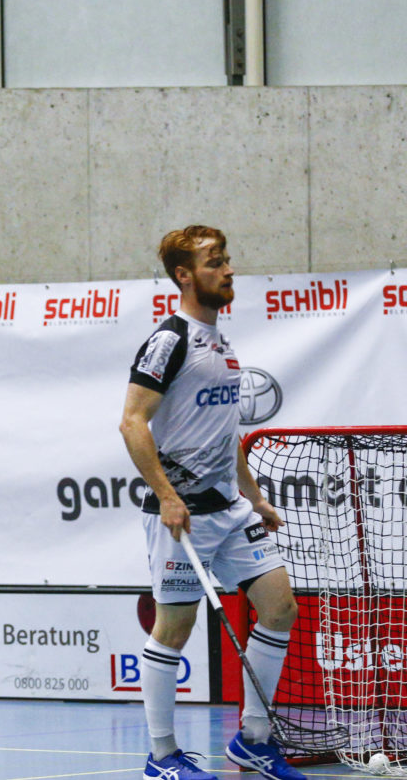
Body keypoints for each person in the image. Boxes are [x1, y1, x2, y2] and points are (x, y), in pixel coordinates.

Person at [119, 227, 302, 780]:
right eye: (214, 263)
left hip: (230, 509)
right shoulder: (170, 339)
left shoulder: (221, 343)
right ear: (184, 275)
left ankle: (252, 740)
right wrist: (168, 497)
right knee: (174, 630)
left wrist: (254, 498)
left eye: (226, 260)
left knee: (279, 608)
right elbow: (132, 422)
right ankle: (163, 756)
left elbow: (222, 433)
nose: (227, 271)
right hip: (184, 516)